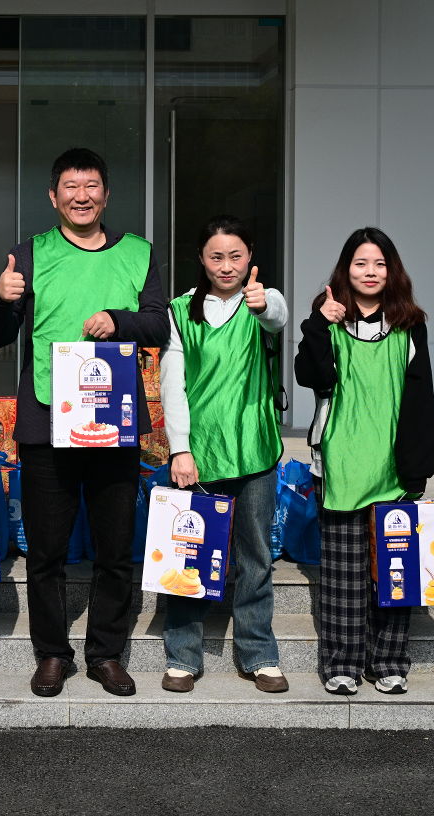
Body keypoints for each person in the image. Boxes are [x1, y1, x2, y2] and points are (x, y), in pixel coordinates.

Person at [0, 147, 169, 698]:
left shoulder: (137, 252)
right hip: (46, 420)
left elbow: (158, 325)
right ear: (53, 196)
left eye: (91, 187)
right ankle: (52, 654)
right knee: (46, 551)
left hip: (113, 419)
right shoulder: (30, 254)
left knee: (115, 548)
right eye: (70, 187)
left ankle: (105, 654)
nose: (81, 196)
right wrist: (1, 299)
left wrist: (119, 319)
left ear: (106, 195)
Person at [294, 227, 434, 696]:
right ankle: (342, 664)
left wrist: (419, 465)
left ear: (392, 271)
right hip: (341, 463)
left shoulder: (410, 323)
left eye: (379, 264)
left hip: (394, 466)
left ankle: (389, 661)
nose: (370, 272)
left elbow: (422, 398)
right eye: (360, 263)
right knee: (343, 577)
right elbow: (309, 375)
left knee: (394, 572)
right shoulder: (329, 318)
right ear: (346, 269)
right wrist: (318, 323)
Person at [158, 215, 289, 694]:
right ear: (201, 259)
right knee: (187, 555)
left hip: (254, 448)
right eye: (217, 256)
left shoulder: (262, 302)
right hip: (199, 454)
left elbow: (277, 316)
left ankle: (260, 654)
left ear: (250, 256)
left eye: (236, 255)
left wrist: (264, 302)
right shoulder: (179, 310)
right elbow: (173, 386)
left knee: (255, 557)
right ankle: (182, 656)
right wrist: (180, 449)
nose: (227, 265)